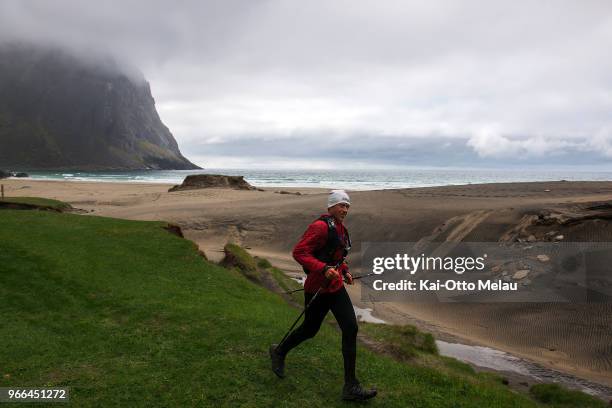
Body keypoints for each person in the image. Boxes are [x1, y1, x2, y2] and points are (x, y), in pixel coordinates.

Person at [269, 190, 377, 401]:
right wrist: (323, 268)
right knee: (310, 329)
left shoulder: (341, 230)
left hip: (335, 287)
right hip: (317, 288)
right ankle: (279, 351)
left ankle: (351, 387)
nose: (345, 210)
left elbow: (337, 256)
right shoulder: (319, 227)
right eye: (341, 206)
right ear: (331, 207)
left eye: (347, 206)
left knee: (351, 328)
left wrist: (344, 270)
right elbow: (299, 252)